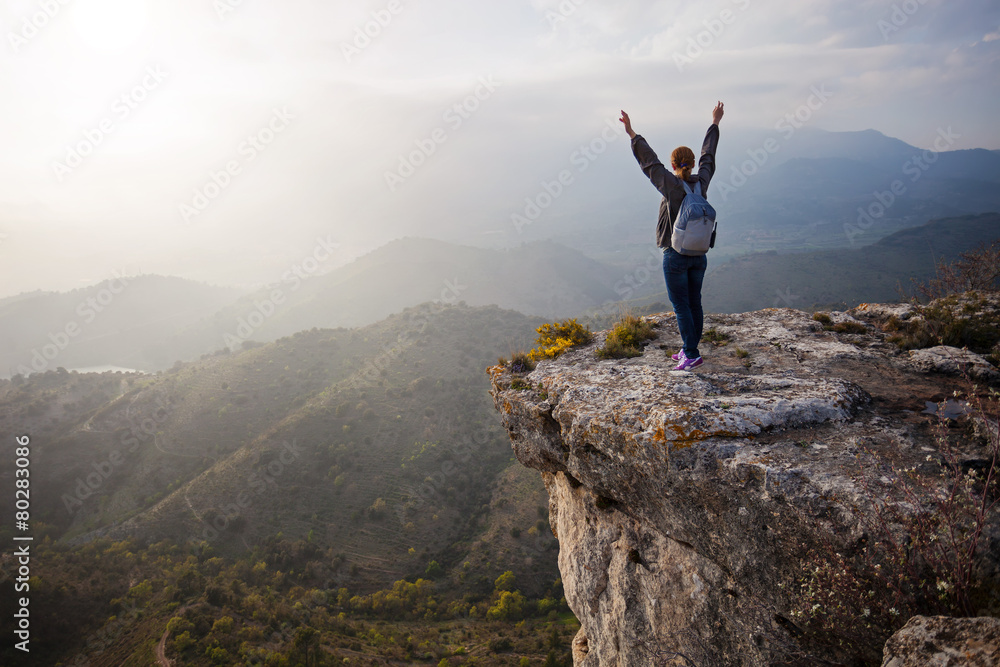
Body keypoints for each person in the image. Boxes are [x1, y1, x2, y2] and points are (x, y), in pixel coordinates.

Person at [619, 102, 724, 371]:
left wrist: (632, 134)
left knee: (681, 305)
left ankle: (691, 353)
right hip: (699, 255)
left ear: (675, 164)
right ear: (690, 164)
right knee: (694, 302)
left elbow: (650, 163)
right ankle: (689, 348)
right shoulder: (702, 182)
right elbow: (708, 157)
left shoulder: (672, 185)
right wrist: (715, 123)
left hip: (675, 253)